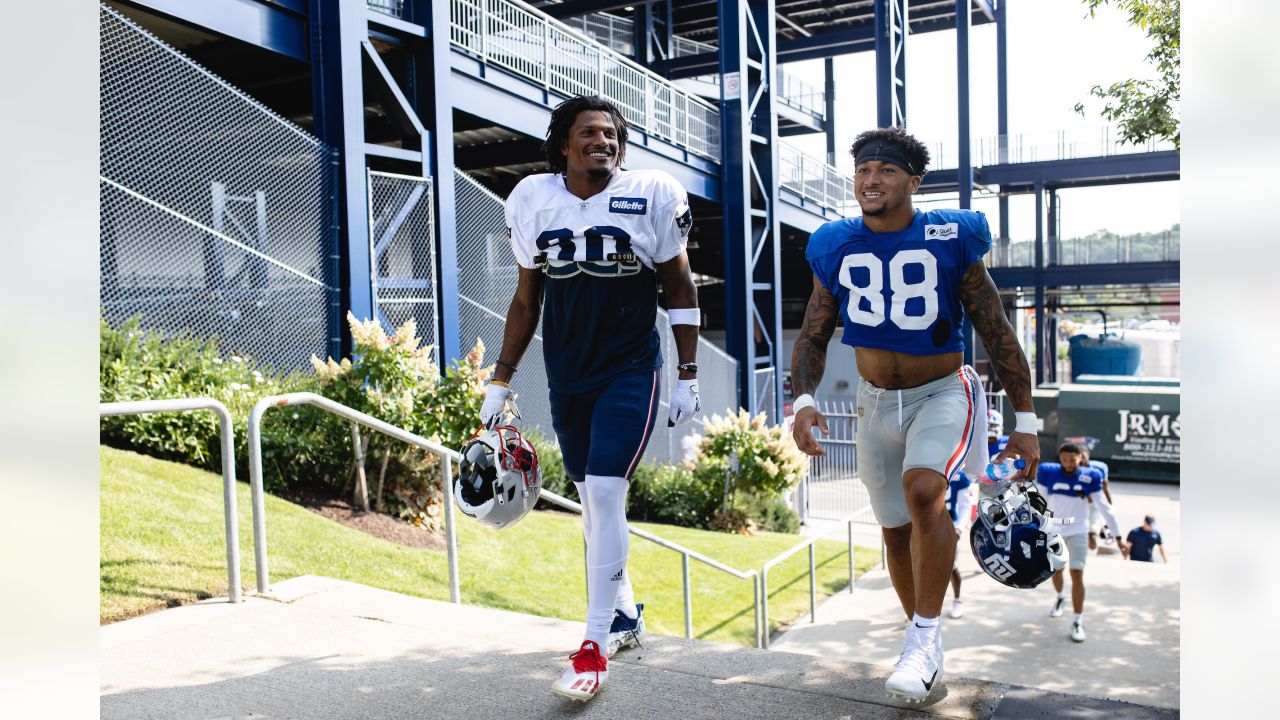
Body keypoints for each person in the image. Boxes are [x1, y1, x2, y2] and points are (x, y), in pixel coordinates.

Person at [790, 126, 1041, 703]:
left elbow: (995, 329)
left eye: (885, 171)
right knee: (894, 529)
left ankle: (924, 636)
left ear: (913, 181)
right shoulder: (834, 243)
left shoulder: (950, 236)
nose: (871, 181)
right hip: (873, 401)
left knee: (923, 489)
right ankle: (920, 645)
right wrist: (803, 400)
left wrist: (1025, 423)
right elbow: (813, 333)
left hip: (941, 392)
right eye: (862, 171)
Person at [480, 95, 702, 702]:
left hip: (630, 367)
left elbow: (679, 285)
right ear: (563, 144)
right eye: (590, 132)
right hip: (567, 370)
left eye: (612, 133)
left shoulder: (652, 191)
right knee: (590, 497)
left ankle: (593, 645)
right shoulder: (531, 196)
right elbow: (527, 299)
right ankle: (626, 613)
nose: (603, 141)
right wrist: (500, 378)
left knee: (606, 490)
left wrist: (687, 372)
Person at [1037, 442, 1123, 643]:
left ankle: (1077, 620)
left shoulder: (1090, 476)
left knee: (1077, 573)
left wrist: (1118, 536)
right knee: (1056, 571)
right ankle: (1060, 597)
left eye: (1072, 459)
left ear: (1080, 459)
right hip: (1054, 531)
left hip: (1078, 531)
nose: (1068, 463)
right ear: (1060, 459)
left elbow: (1104, 507)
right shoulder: (1048, 472)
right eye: (1064, 459)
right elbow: (1038, 501)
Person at [945, 470, 974, 619]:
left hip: (950, 525)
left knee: (951, 566)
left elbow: (965, 506)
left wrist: (959, 528)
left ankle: (957, 600)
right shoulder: (926, 467)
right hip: (927, 525)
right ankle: (918, 609)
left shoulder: (960, 476)